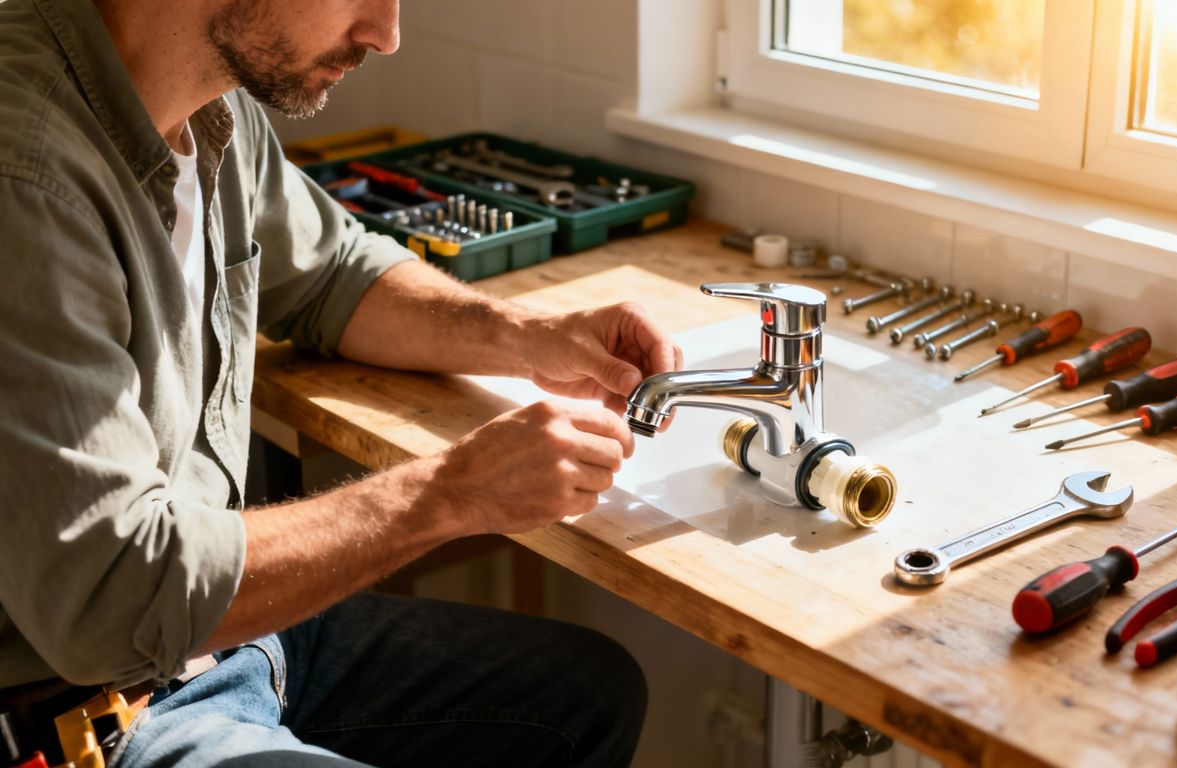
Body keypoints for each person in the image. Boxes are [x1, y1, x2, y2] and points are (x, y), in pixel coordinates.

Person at [0, 0, 682, 765]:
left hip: (225, 647)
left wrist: (531, 339)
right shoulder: (25, 173)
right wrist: (450, 492)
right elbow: (113, 596)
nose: (385, 34)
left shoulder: (211, 103)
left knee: (584, 694)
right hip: (86, 711)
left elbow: (332, 274)